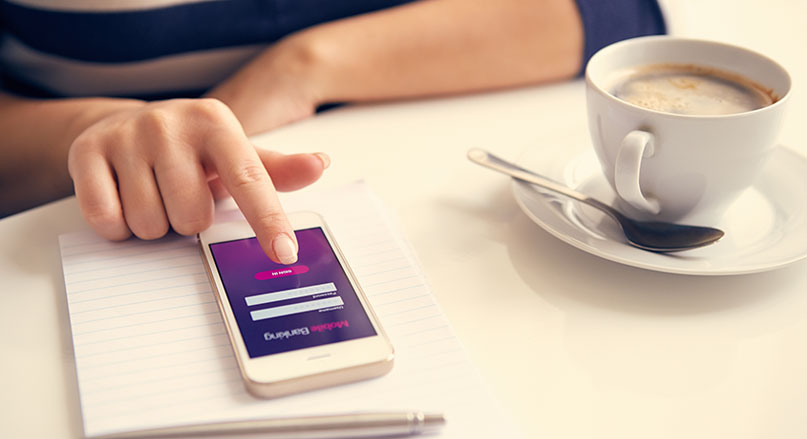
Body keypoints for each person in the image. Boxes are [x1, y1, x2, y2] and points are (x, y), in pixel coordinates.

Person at [0, 0, 665, 263]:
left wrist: (303, 68)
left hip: (410, 216)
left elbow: (610, 15)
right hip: (88, 236)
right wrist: (99, 129)